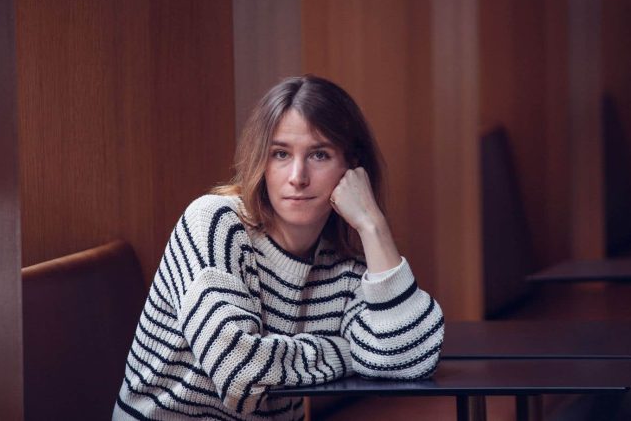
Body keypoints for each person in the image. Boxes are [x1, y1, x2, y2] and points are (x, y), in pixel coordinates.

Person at [113, 75, 444, 420]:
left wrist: (372, 225)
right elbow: (240, 371)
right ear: (262, 162)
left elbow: (412, 359)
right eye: (281, 154)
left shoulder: (345, 263)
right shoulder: (215, 223)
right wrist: (350, 354)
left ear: (352, 166)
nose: (297, 177)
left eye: (319, 154)